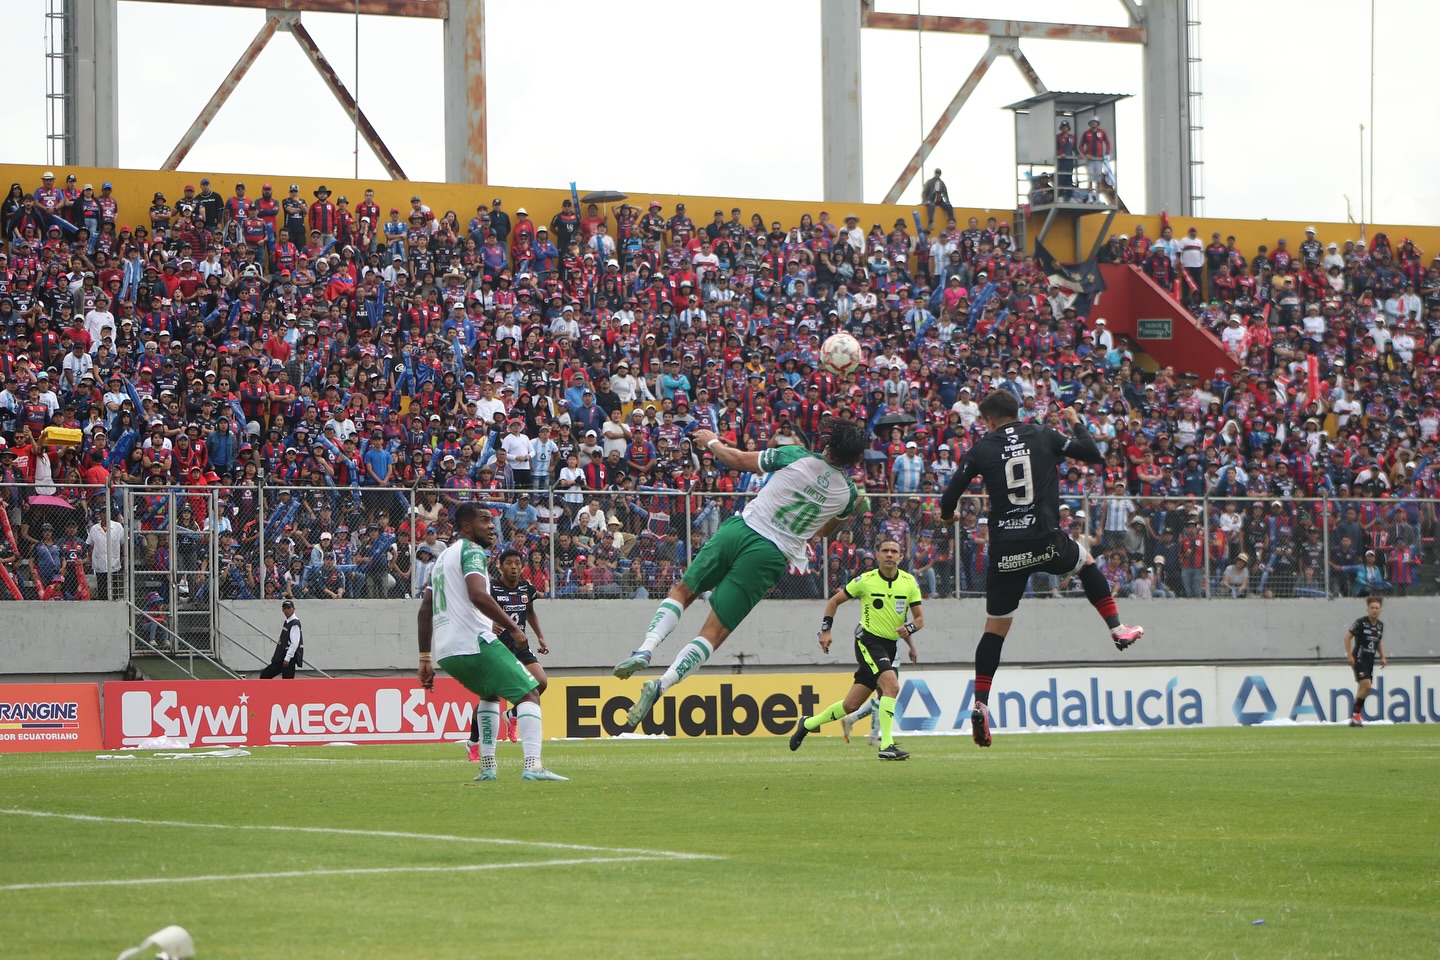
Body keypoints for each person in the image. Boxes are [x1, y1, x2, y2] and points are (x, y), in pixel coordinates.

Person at [614, 420, 868, 727]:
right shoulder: (848, 494)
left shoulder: (795, 455)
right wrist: (843, 510)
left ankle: (646, 648)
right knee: (713, 633)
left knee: (683, 591)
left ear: (828, 442)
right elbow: (825, 532)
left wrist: (710, 441)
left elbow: (735, 459)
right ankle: (661, 685)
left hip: (740, 530)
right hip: (769, 556)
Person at [939, 391, 1144, 748]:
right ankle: (1117, 629)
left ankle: (981, 703)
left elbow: (950, 493)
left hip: (1005, 550)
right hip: (1044, 540)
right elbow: (1093, 454)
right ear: (1017, 412)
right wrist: (1074, 420)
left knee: (995, 629)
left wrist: (948, 518)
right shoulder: (1043, 434)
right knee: (1086, 561)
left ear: (987, 420)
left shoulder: (981, 448)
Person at [417, 503, 566, 781]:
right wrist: (515, 629)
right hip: (475, 642)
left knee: (489, 695)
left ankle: (487, 766)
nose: (490, 526)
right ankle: (533, 765)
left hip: (447, 652)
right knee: (530, 693)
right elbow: (478, 595)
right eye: (484, 520)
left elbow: (425, 609)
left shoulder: (441, 559)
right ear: (465, 527)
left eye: (491, 520)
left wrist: (424, 657)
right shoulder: (472, 551)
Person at [789, 538, 921, 761]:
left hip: (889, 646)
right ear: (877, 555)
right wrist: (826, 631)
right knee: (891, 686)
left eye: (894, 551)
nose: (889, 554)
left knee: (851, 704)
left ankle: (807, 723)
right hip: (868, 641)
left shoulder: (909, 582)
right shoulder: (865, 581)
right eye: (885, 550)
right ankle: (887, 745)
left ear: (901, 556)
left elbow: (919, 620)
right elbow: (834, 601)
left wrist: (908, 629)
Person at [465, 547, 549, 766]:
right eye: (509, 563)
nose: (514, 567)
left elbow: (529, 611)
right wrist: (489, 622)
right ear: (500, 566)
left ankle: (512, 715)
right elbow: (475, 609)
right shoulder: (490, 588)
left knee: (540, 682)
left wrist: (540, 636)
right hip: (497, 646)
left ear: (522, 567)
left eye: (517, 563)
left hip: (519, 644)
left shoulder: (527, 588)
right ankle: (473, 741)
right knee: (490, 695)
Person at [1343, 596, 1387, 727]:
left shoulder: (1380, 625)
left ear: (1380, 610)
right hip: (1359, 658)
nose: (1374, 610)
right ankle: (1356, 716)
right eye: (1372, 608)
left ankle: (1354, 719)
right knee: (1367, 685)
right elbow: (1347, 637)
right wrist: (1349, 655)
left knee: (1362, 688)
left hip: (1369, 660)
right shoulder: (1361, 622)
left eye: (1377, 608)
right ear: (1368, 609)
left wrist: (1383, 656)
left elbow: (1377, 641)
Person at [86, 508, 124, 601]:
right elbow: (90, 545)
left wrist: (124, 556)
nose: (105, 514)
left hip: (114, 564)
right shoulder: (94, 529)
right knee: (102, 593)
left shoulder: (118, 527)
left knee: (114, 593)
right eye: (103, 512)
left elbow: (124, 543)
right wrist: (90, 559)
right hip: (100, 565)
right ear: (100, 515)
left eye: (107, 512)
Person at [259, 599, 303, 679]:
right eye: (284, 608)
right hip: (282, 655)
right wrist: (276, 656)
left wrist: (287, 658)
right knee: (265, 674)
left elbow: (294, 643)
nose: (286, 610)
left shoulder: (294, 623)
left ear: (293, 609)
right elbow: (282, 641)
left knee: (287, 682)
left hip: (288, 656)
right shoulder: (287, 621)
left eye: (288, 608)